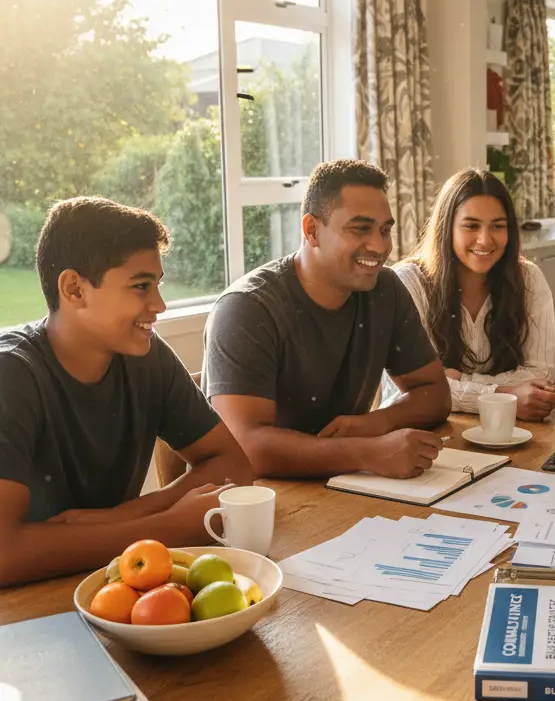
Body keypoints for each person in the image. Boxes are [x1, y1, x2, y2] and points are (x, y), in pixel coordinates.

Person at [0, 198, 253, 587]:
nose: (160, 305)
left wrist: (126, 515)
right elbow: (4, 552)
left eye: (158, 285)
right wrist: (167, 528)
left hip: (115, 585)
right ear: (74, 289)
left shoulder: (147, 357)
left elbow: (233, 465)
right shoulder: (11, 376)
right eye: (140, 286)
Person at [203, 159, 451, 480]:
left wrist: (375, 423)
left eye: (385, 230)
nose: (380, 246)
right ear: (312, 230)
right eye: (360, 228)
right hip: (260, 495)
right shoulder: (247, 308)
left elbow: (435, 394)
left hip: (342, 485)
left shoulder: (385, 289)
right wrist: (368, 452)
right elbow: (246, 447)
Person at [389, 169, 555, 421]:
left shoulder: (529, 279)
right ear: (447, 227)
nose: (484, 240)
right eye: (471, 226)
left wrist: (461, 379)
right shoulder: (407, 282)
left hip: (507, 428)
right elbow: (414, 391)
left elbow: (542, 377)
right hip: (430, 428)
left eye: (497, 226)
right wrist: (502, 394)